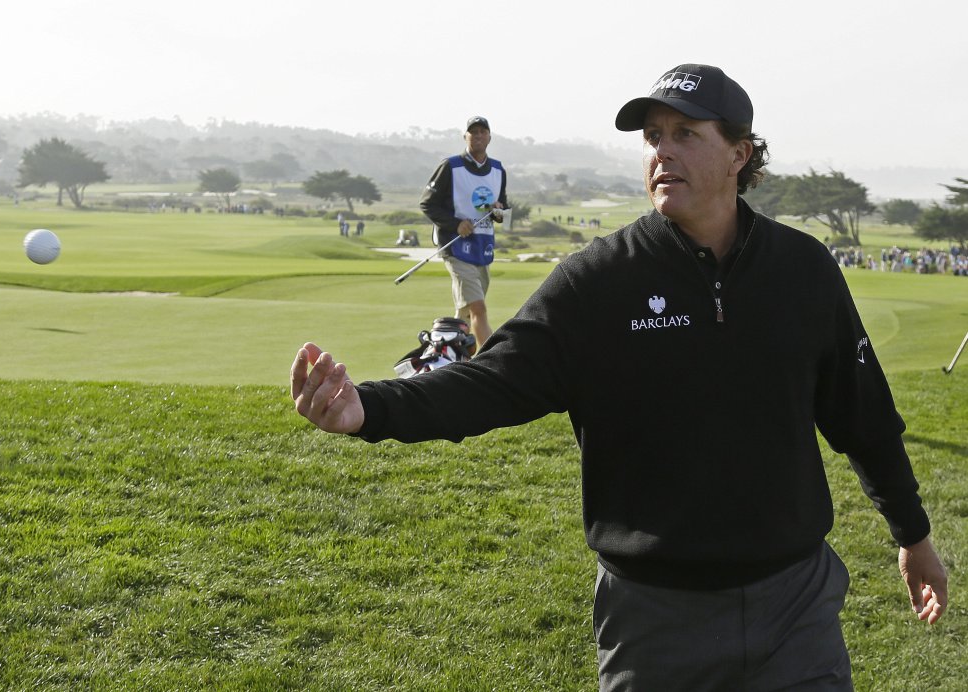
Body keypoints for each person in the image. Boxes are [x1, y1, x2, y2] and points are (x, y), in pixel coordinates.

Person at [291, 64, 947, 690]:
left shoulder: (801, 270)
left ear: (738, 154)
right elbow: (491, 381)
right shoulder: (601, 279)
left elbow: (863, 418)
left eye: (685, 134)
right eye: (652, 137)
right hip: (654, 619)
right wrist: (368, 410)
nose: (662, 152)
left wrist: (912, 537)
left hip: (793, 608)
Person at [420, 115, 508, 347]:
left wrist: (500, 211)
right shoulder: (450, 166)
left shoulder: (498, 170)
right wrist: (455, 223)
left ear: (489, 137)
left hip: (483, 247)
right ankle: (491, 362)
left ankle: (454, 357)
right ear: (465, 136)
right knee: (479, 307)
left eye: (482, 132)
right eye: (473, 132)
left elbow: (502, 208)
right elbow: (428, 204)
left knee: (467, 311)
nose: (478, 136)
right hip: (455, 244)